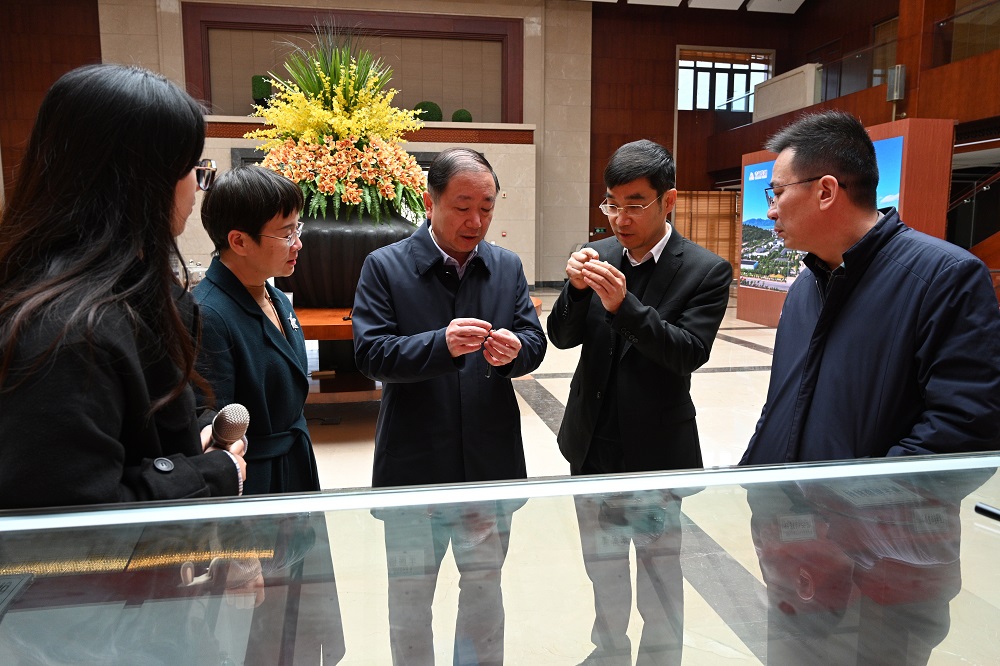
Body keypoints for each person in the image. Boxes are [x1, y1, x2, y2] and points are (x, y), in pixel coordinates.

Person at [0, 64, 245, 509]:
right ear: (143, 181)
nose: (197, 187)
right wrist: (211, 474)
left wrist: (195, 431)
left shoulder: (139, 290)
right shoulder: (67, 333)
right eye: (192, 168)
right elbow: (70, 517)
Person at [352, 147, 546, 665]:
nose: (475, 221)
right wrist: (440, 344)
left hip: (489, 465)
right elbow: (370, 354)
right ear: (429, 200)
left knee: (484, 592)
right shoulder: (385, 266)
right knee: (410, 600)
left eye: (486, 207)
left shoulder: (506, 266)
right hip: (415, 468)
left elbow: (533, 339)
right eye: (462, 206)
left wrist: (516, 352)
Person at [547, 139, 733, 664]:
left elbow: (687, 353)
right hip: (592, 446)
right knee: (602, 566)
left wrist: (623, 306)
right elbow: (561, 336)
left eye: (634, 204)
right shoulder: (601, 255)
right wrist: (575, 290)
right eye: (611, 204)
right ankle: (609, 651)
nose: (620, 219)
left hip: (656, 453)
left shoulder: (705, 270)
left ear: (667, 200)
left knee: (659, 575)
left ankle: (659, 658)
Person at [740, 110, 1000, 466]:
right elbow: (782, 404)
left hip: (864, 503)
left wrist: (859, 495)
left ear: (826, 191)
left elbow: (965, 425)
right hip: (781, 496)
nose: (770, 211)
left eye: (778, 193)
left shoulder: (944, 278)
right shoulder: (806, 283)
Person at [194, 165, 321, 495]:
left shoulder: (275, 297)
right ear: (239, 241)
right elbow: (209, 421)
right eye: (286, 234)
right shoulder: (207, 314)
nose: (298, 244)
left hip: (294, 460)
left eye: (297, 229)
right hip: (254, 477)